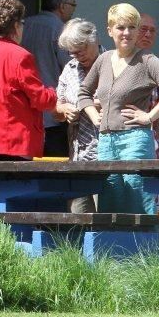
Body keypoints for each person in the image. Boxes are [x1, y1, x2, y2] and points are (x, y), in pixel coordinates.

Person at [78, 3, 159, 215]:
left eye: (132, 27)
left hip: (134, 139)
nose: (126, 33)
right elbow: (83, 92)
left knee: (137, 197)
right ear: (110, 30)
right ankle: (112, 238)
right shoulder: (103, 59)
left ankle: (145, 237)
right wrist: (95, 116)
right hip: (106, 141)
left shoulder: (147, 60)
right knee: (109, 197)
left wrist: (150, 116)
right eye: (120, 27)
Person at [0, 0, 59, 159]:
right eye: (22, 23)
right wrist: (55, 94)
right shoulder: (20, 56)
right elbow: (40, 99)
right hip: (15, 142)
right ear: (15, 26)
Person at [21, 0, 77, 156]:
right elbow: (72, 69)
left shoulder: (22, 25)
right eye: (73, 5)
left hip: (24, 114)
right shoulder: (61, 30)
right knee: (54, 168)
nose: (74, 10)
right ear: (62, 6)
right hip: (54, 115)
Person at [55, 17, 104, 212]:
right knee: (77, 215)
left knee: (106, 214)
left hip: (105, 154)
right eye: (72, 52)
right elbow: (57, 106)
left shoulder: (113, 63)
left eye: (81, 49)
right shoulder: (70, 68)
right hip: (78, 156)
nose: (77, 56)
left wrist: (93, 105)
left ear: (94, 40)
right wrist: (65, 110)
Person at [136, 13, 159, 156]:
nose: (148, 34)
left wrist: (157, 140)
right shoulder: (118, 62)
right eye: (143, 29)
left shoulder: (156, 64)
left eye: (152, 30)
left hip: (149, 142)